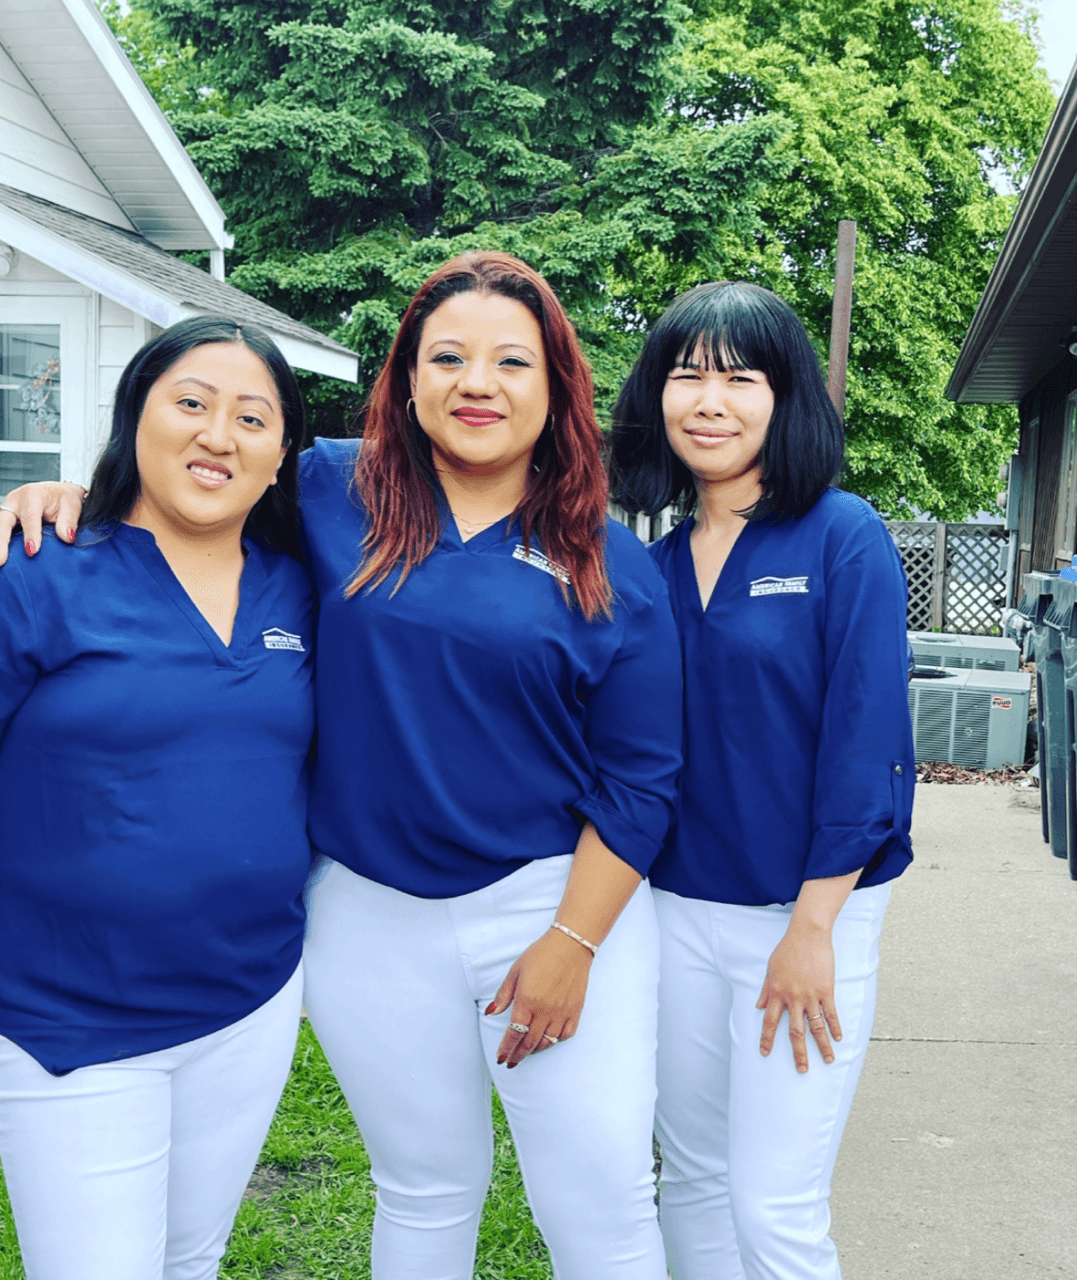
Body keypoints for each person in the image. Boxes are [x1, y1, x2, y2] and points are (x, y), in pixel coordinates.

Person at [2, 252, 684, 1280]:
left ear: (557, 389)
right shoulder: (330, 487)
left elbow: (642, 777)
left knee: (602, 1195)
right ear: (406, 380)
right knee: (422, 1185)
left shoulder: (609, 562)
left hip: (553, 904)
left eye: (511, 361)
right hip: (370, 909)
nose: (477, 383)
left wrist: (574, 939)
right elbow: (199, 480)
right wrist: (66, 494)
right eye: (446, 356)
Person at [609, 281, 914, 1280]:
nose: (710, 399)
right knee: (691, 1176)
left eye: (740, 377)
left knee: (773, 1204)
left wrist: (813, 929)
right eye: (687, 375)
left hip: (806, 913)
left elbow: (867, 745)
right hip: (673, 915)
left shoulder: (842, 535)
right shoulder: (647, 568)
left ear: (785, 400)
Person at [0, 316, 315, 1280]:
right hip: (69, 1018)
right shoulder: (39, 568)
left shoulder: (301, 590)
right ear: (135, 414)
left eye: (251, 418)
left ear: (280, 459)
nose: (218, 435)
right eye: (190, 403)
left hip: (248, 1003)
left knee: (192, 1259)